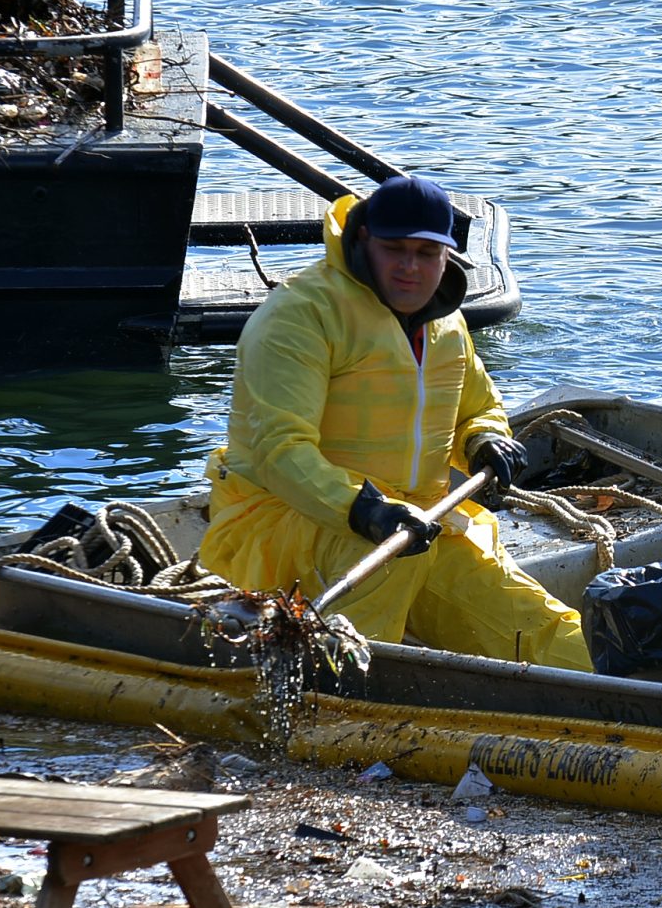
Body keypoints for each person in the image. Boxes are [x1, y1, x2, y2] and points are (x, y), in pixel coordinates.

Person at [197, 174, 591, 671]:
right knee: (359, 652)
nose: (410, 267)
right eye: (395, 249)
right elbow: (279, 451)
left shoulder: (447, 322)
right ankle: (344, 700)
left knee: (546, 635)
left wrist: (484, 438)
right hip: (295, 525)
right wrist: (364, 511)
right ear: (364, 242)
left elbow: (478, 407)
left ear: (448, 254)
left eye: (427, 254)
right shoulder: (300, 316)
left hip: (422, 523)